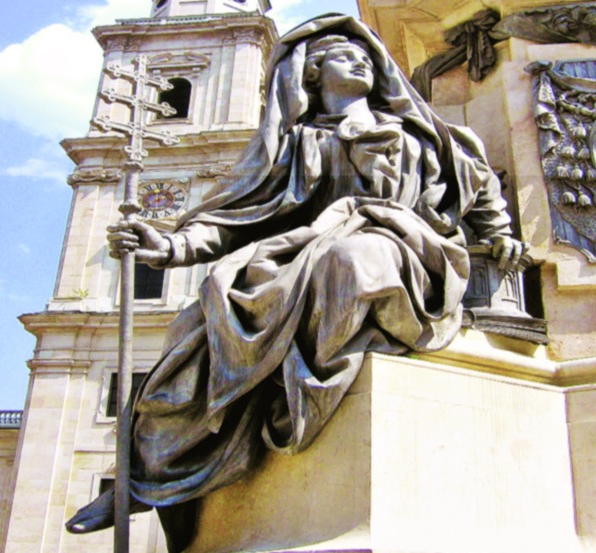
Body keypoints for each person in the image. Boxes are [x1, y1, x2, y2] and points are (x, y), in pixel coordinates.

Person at [66, 13, 526, 552]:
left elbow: (477, 180)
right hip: (308, 250)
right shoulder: (295, 144)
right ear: (312, 73)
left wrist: (500, 233)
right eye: (343, 56)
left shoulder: (420, 135)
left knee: (350, 263)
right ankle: (150, 472)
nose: (360, 61)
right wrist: (170, 246)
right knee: (200, 316)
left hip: (406, 247)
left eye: (366, 56)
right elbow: (236, 217)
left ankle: (300, 403)